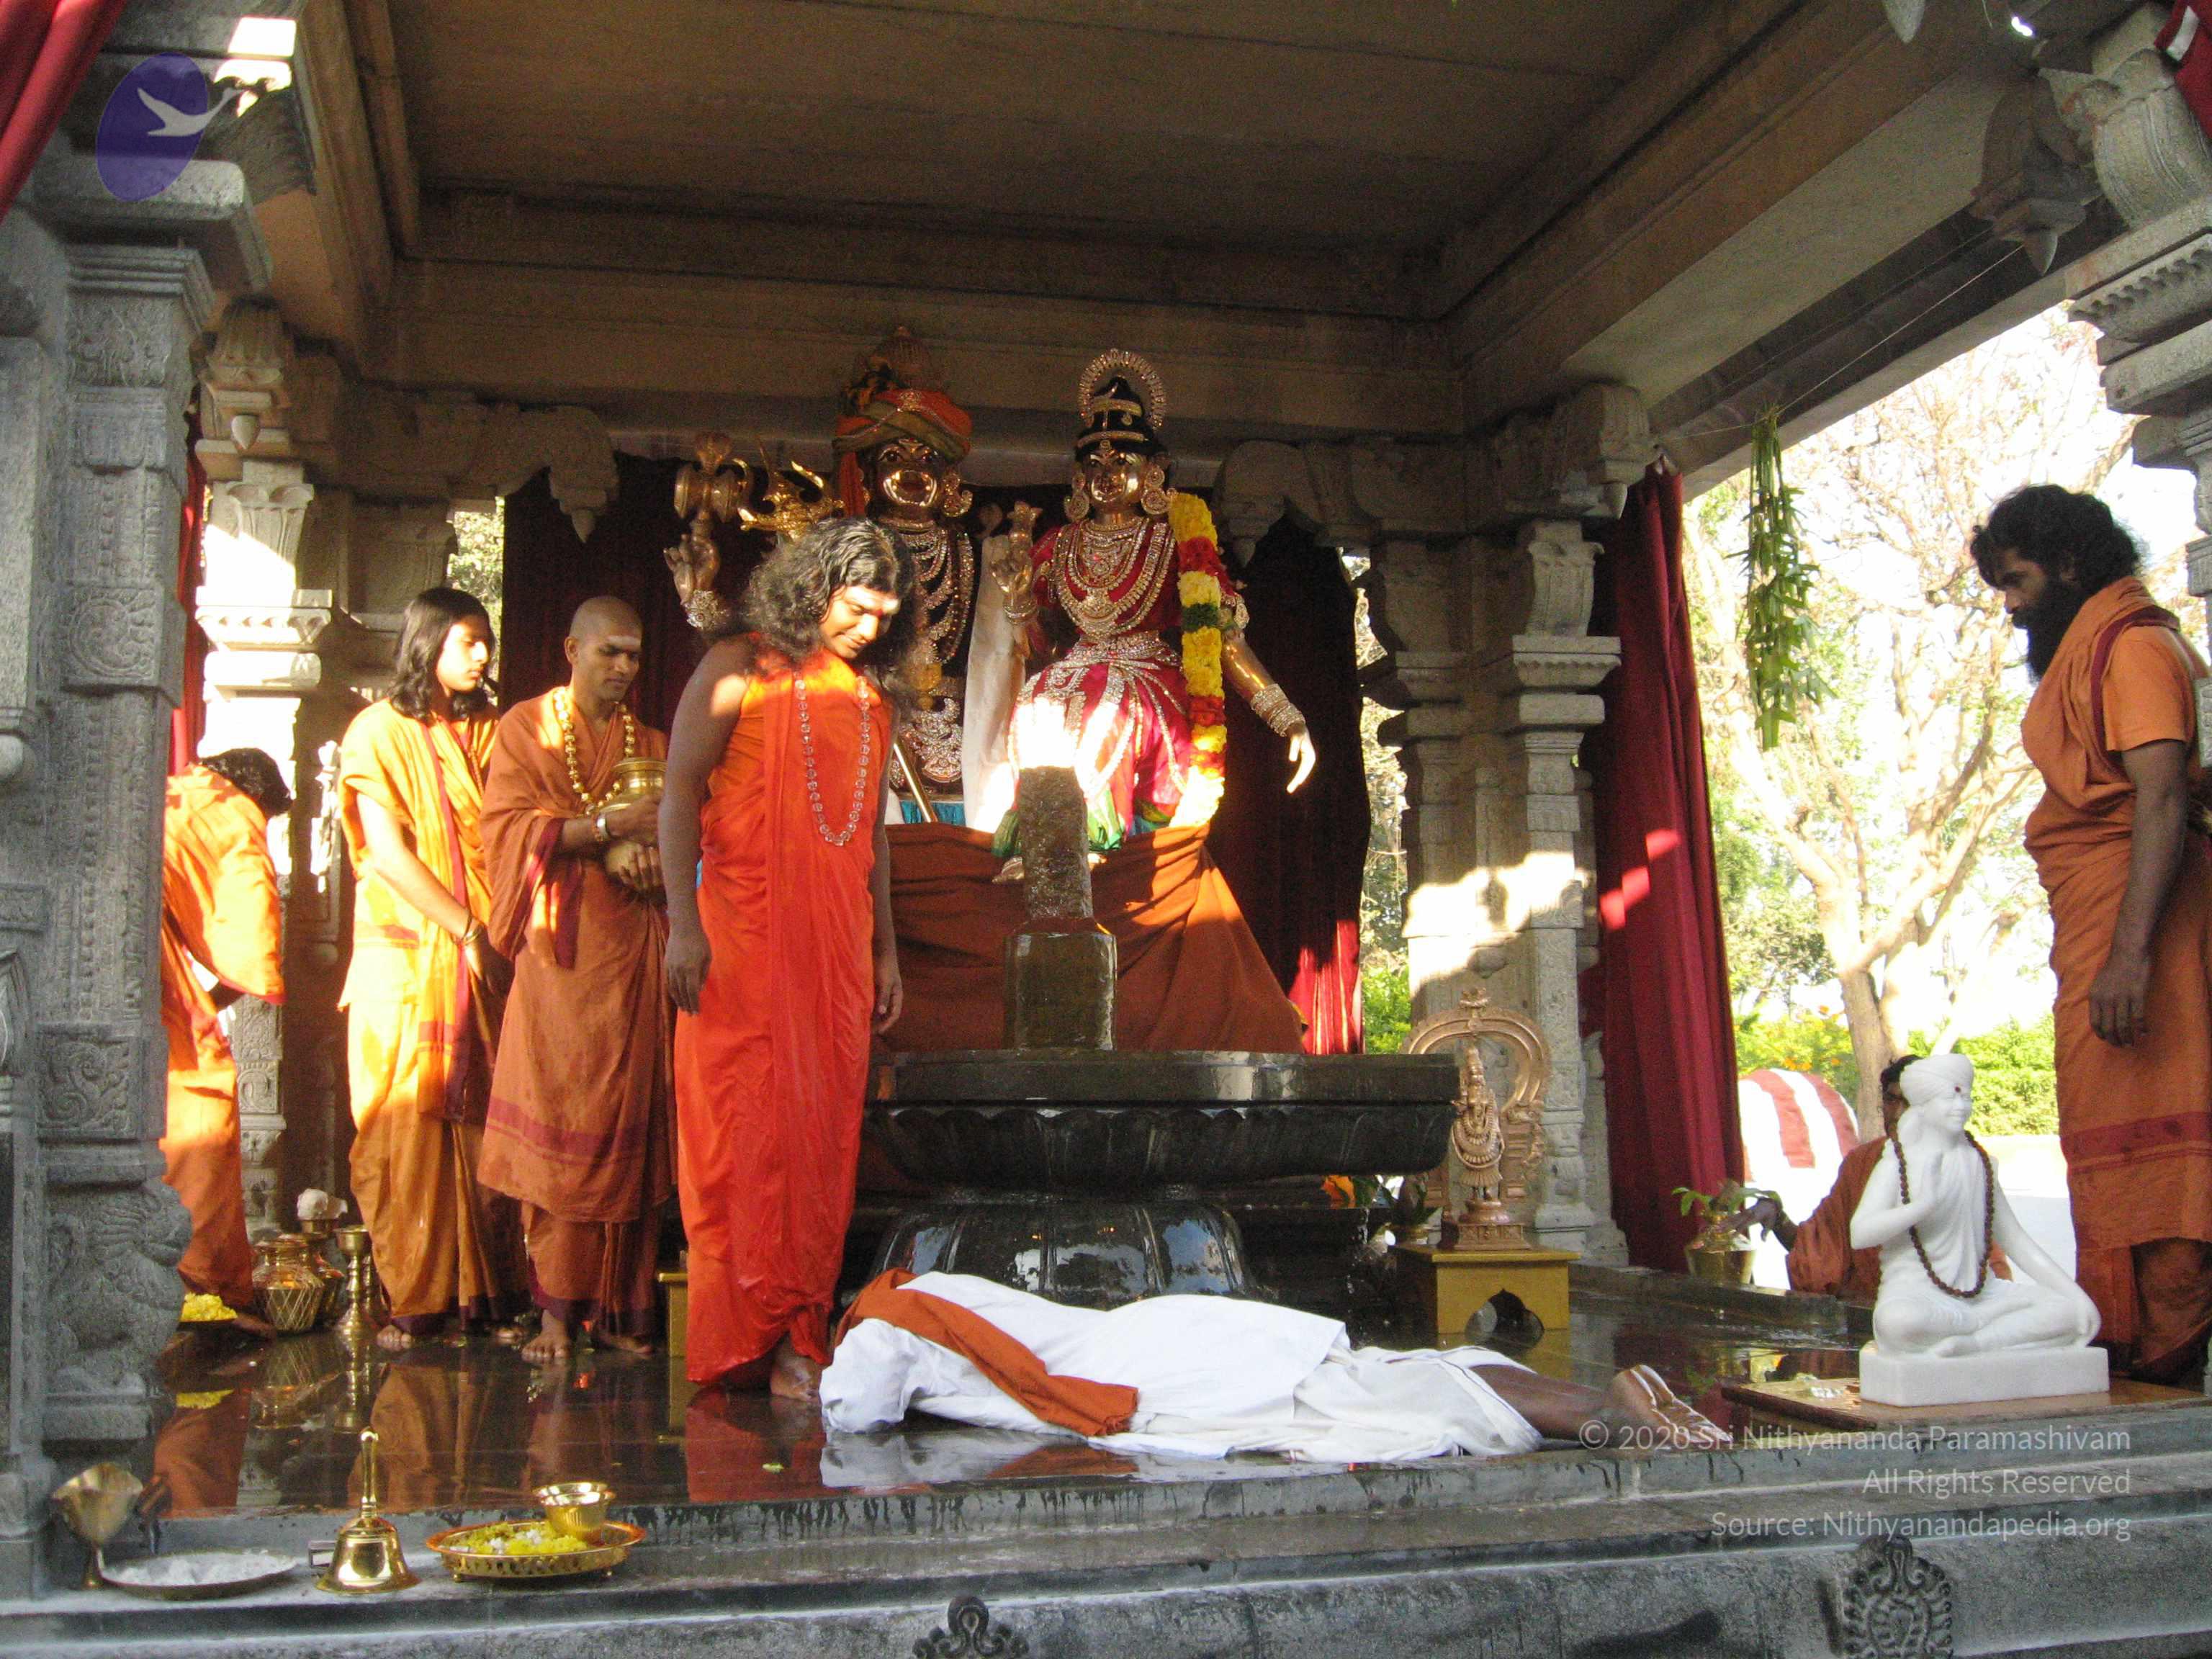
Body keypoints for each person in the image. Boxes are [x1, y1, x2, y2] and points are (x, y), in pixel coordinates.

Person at [662, 517, 912, 1401]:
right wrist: (682, 926)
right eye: (856, 608)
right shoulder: (737, 668)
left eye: (885, 616)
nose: (869, 628)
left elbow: (873, 836)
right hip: (739, 940)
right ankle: (738, 1334)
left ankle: (799, 1332)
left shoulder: (870, 697)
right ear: (814, 589)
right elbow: (678, 793)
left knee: (818, 1139)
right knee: (740, 1133)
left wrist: (886, 950)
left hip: (835, 951)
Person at [1974, 483, 2212, 1383]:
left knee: (2164, 1145)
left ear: (2070, 563)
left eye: (2019, 580)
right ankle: (2139, 1353)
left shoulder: (2134, 645)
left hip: (2143, 933)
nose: (2010, 605)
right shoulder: (2108, 642)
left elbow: (2163, 795)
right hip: (2107, 919)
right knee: (2112, 1129)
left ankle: (2166, 1356)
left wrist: (2130, 956)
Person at [990, 350, 1313, 856]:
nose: (1106, 475)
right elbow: (1041, 649)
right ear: (1078, 477)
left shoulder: (1176, 541)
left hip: (1146, 679)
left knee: (1105, 704)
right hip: (1071, 673)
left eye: (1122, 462)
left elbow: (1225, 641)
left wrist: (1287, 716)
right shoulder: (1058, 545)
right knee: (1038, 697)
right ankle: (1040, 847)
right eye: (1094, 464)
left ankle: (1087, 843)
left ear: (1154, 471)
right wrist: (1019, 601)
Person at [478, 597, 673, 1365]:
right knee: (562, 1121)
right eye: (609, 652)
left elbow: (690, 830)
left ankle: (623, 1311)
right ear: (571, 649)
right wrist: (606, 832)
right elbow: (505, 830)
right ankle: (556, 1314)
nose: (624, 667)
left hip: (632, 949)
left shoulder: (651, 743)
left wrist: (654, 859)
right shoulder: (524, 728)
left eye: (634, 655)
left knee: (631, 1124)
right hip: (560, 959)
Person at [336, 586, 525, 1351]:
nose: (483, 655)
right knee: (404, 1122)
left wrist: (490, 936)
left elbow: (515, 837)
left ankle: (492, 1294)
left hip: (492, 954)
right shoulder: (376, 731)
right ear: (428, 644)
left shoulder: (492, 731)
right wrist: (464, 929)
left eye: (487, 641)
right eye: (467, 642)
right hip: (408, 955)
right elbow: (387, 853)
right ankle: (418, 1298)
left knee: (487, 1119)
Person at [158, 747, 291, 1325]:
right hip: (144, 955)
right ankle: (199, 1283)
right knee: (204, 1104)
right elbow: (258, 949)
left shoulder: (177, 790)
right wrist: (206, 1007)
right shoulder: (236, 816)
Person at [1849, 1055, 2098, 1357]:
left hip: (1984, 1294)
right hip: (1919, 1295)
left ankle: (1976, 1343)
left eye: (1966, 1097)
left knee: (2069, 1312)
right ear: (1922, 1106)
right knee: (1897, 1322)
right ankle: (1984, 1327)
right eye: (1949, 1098)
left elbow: (2016, 1240)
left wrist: (2075, 1295)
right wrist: (1922, 1207)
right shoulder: (1898, 1163)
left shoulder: (1981, 1162)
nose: (1961, 1107)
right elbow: (1860, 1234)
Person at [831, 326, 981, 824]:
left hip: (958, 747)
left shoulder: (973, 550)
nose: (913, 469)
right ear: (868, 479)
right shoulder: (848, 553)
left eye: (927, 459)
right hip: (871, 729)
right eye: (894, 458)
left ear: (949, 481)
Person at [1728, 1055, 1922, 1302]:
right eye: (1891, 1100)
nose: (1897, 1113)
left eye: (1911, 1102)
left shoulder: (1963, 1164)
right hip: (1866, 1317)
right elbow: (1821, 1254)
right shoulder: (1862, 1163)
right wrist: (1777, 1217)